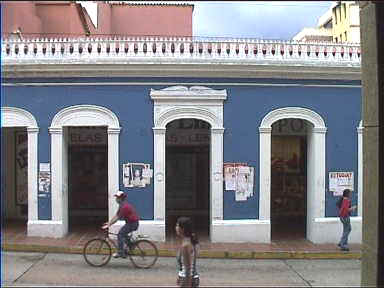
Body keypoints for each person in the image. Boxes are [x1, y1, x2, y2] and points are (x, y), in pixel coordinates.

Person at [102, 191, 139, 258]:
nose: (116, 199)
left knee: (120, 234)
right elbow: (116, 215)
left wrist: (109, 225)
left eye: (117, 197)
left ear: (120, 198)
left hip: (132, 224)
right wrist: (109, 222)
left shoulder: (124, 207)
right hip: (131, 223)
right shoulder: (122, 205)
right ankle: (131, 245)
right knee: (123, 234)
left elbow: (117, 218)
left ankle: (120, 252)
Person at [175, 217, 200, 287]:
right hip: (189, 278)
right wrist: (179, 275)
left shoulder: (186, 245)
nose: (176, 228)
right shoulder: (190, 241)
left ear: (182, 229)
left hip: (187, 279)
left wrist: (187, 284)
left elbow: (188, 269)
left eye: (177, 226)